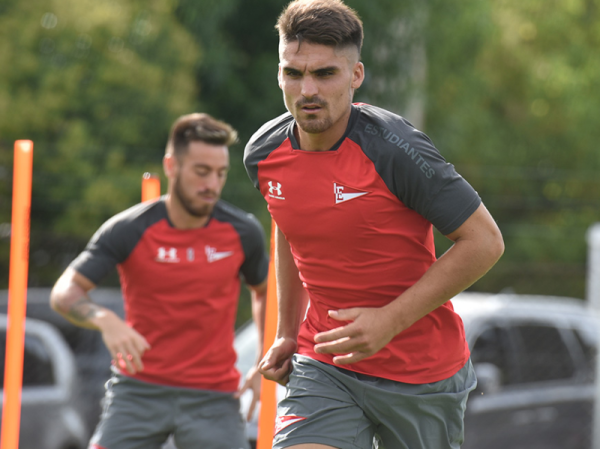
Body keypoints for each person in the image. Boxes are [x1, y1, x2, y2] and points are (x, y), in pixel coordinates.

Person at [243, 1, 505, 448]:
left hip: (421, 374)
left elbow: (485, 242)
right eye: (293, 73)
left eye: (325, 73)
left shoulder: (395, 149)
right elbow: (289, 225)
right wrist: (286, 332)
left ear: (356, 75)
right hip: (325, 363)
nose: (308, 89)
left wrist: (389, 321)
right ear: (279, 74)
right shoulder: (264, 153)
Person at [51, 112, 269, 449]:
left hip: (213, 397)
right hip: (138, 391)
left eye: (220, 173)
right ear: (171, 166)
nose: (212, 184)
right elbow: (64, 293)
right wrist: (104, 319)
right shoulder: (129, 229)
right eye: (201, 172)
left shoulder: (243, 231)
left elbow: (266, 293)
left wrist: (263, 361)